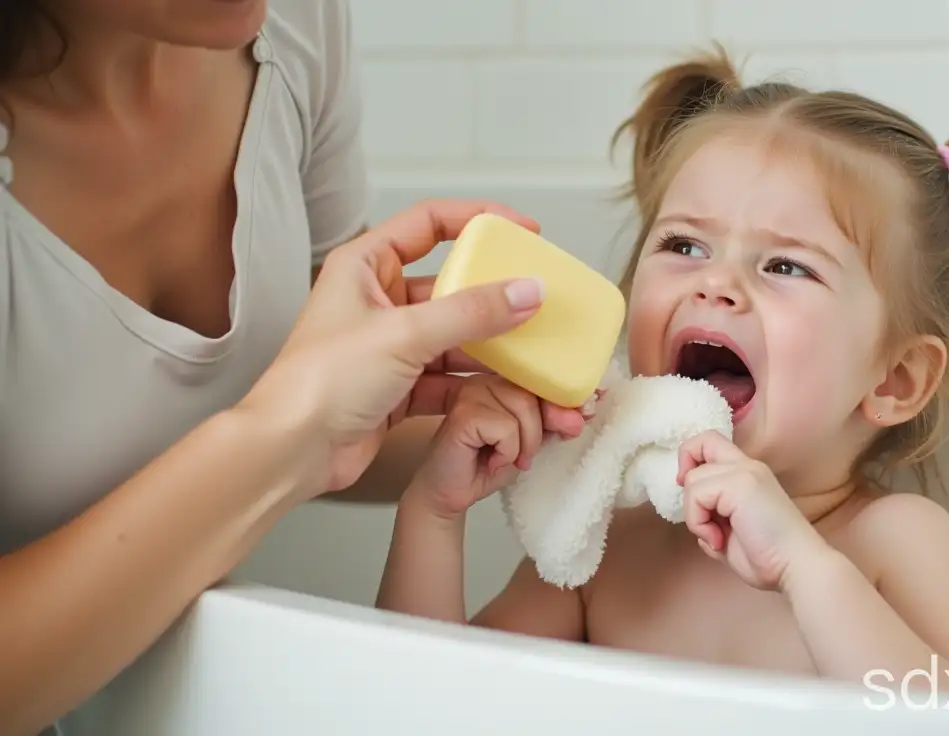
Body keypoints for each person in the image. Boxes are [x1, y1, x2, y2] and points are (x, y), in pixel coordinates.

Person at [376, 44, 949, 688]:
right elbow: (439, 706)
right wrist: (433, 513)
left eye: (786, 265)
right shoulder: (606, 542)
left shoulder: (893, 542)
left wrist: (800, 564)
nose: (716, 284)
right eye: (685, 245)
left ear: (894, 379)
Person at [0, 1, 582, 733]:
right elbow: (302, 422)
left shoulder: (293, 26)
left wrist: (577, 427)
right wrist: (279, 430)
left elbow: (343, 413)